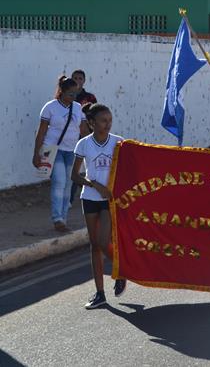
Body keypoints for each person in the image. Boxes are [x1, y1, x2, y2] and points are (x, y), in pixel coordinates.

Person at [71, 103, 127, 309]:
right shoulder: (83, 144)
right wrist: (95, 184)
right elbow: (75, 175)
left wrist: (113, 189)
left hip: (109, 200)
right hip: (90, 198)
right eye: (104, 121)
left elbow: (130, 167)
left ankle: (121, 272)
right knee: (94, 246)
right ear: (92, 123)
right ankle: (100, 293)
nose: (108, 124)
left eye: (110, 120)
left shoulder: (119, 142)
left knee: (104, 242)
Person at [33, 76, 89, 232]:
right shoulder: (50, 107)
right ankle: (57, 218)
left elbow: (83, 131)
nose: (73, 97)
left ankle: (63, 218)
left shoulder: (78, 108)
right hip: (54, 150)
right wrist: (36, 153)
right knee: (59, 182)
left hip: (71, 151)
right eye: (70, 94)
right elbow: (41, 131)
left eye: (75, 94)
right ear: (62, 91)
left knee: (68, 185)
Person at [69, 69, 98, 205]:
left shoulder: (90, 97)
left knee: (86, 165)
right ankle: (70, 197)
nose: (77, 81)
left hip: (85, 134)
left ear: (84, 80)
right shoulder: (68, 96)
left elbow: (95, 114)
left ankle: (87, 187)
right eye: (75, 78)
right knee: (74, 165)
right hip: (70, 135)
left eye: (80, 78)